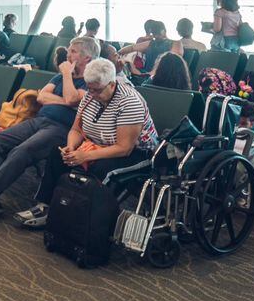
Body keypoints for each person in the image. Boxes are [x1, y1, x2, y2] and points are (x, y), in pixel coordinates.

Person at [0, 37, 98, 220]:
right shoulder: (59, 76)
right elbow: (41, 97)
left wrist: (68, 78)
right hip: (39, 120)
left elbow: (71, 99)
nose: (68, 55)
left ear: (87, 58)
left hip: (62, 129)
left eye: (74, 52)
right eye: (69, 50)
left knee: (22, 151)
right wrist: (66, 99)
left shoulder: (90, 81)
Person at [17, 58, 159, 230]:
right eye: (89, 89)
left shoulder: (129, 102)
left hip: (135, 154)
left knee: (100, 167)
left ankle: (82, 216)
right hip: (99, 144)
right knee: (58, 154)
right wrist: (70, 147)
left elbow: (124, 148)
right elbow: (76, 130)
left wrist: (86, 155)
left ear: (112, 85)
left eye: (97, 90)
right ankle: (46, 206)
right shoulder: (91, 95)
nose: (91, 94)